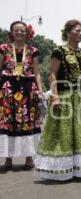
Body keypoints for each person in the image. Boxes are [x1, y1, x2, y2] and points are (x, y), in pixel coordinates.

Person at [34, 19, 81, 180]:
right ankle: (64, 169)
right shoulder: (59, 51)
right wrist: (55, 97)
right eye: (77, 30)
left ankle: (80, 168)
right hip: (65, 96)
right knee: (63, 132)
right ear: (68, 32)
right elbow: (53, 74)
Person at [0, 21, 44, 171]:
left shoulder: (33, 51)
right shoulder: (4, 49)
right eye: (16, 30)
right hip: (8, 89)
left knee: (28, 121)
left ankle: (29, 158)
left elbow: (37, 73)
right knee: (9, 121)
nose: (19, 33)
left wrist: (41, 91)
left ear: (27, 33)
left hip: (27, 89)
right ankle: (8, 159)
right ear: (12, 32)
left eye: (22, 30)